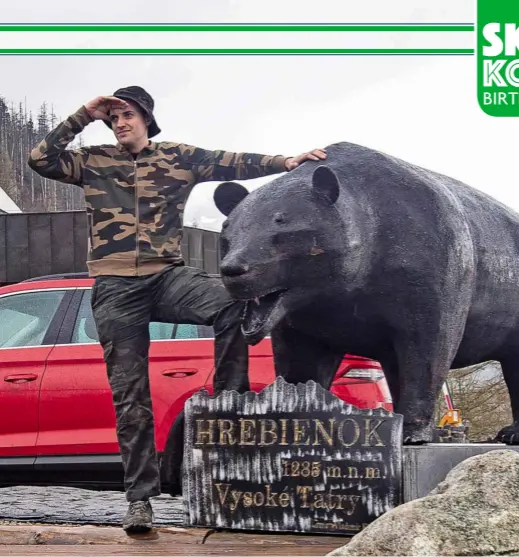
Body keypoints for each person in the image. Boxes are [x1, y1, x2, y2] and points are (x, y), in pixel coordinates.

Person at [27, 86, 326, 534]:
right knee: (131, 398)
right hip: (115, 286)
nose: (120, 123)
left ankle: (228, 402)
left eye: (126, 115)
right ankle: (140, 501)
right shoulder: (93, 161)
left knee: (232, 302)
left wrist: (284, 162)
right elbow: (39, 160)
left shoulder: (177, 157)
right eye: (113, 118)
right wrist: (84, 114)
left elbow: (230, 160)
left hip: (166, 276)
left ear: (145, 117)